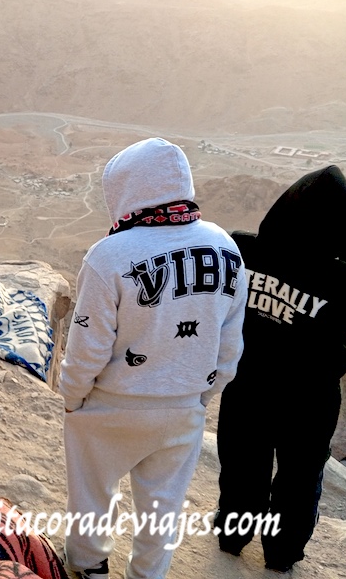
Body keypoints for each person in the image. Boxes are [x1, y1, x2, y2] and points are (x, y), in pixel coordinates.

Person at [57, 137, 246, 579]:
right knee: (163, 508)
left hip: (111, 405)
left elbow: (89, 345)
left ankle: (88, 567)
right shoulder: (226, 248)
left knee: (92, 495)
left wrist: (73, 395)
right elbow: (230, 341)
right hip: (183, 407)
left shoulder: (110, 255)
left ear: (123, 189)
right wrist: (203, 395)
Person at [215, 165, 346, 573]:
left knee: (242, 467)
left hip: (247, 385)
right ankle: (281, 556)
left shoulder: (244, 250)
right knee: (299, 481)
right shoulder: (345, 283)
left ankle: (232, 536)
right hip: (310, 401)